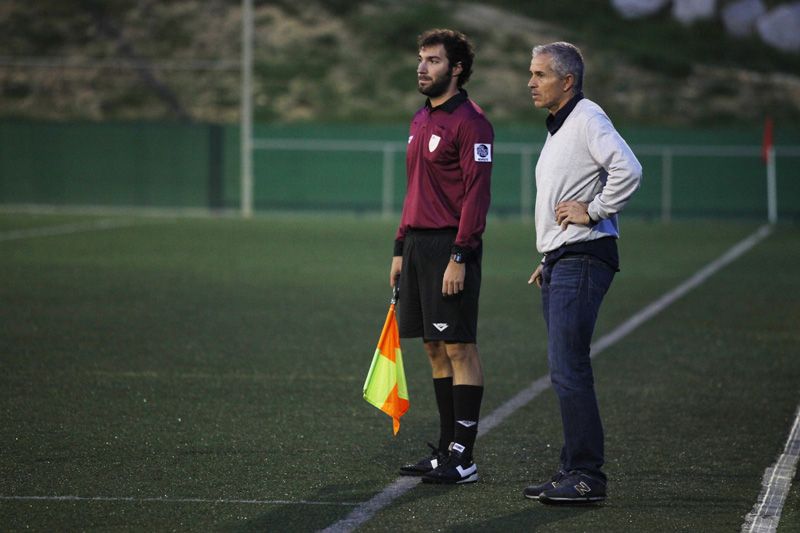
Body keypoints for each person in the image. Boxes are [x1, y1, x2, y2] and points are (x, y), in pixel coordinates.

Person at [523, 42, 642, 504]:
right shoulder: (560, 127)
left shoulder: (588, 116)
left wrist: (593, 212)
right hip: (563, 259)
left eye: (539, 74)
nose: (530, 82)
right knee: (563, 369)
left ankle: (588, 476)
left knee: (569, 368)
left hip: (584, 257)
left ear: (567, 80)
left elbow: (628, 169)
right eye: (530, 73)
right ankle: (571, 468)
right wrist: (549, 254)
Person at [390, 28, 493, 485]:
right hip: (415, 247)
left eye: (432, 60)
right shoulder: (419, 119)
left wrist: (460, 254)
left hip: (451, 245)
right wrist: (398, 248)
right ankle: (445, 448)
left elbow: (476, 194)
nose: (421, 67)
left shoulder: (471, 121)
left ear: (455, 68)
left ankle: (464, 457)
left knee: (459, 346)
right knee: (433, 347)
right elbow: (414, 190)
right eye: (420, 58)